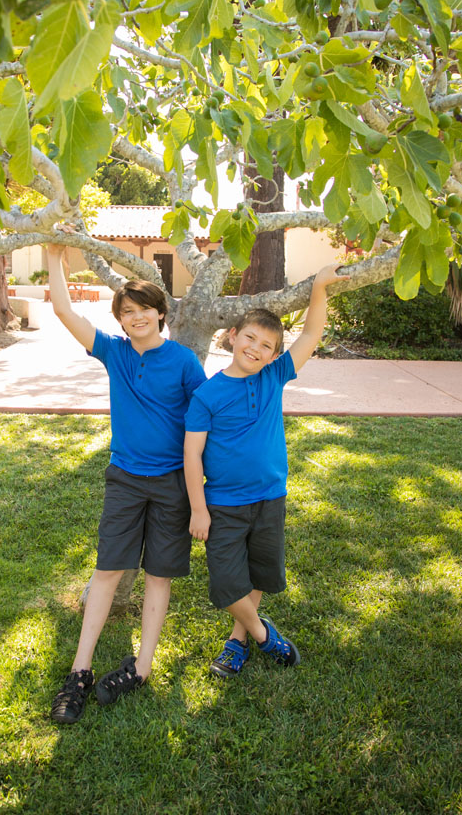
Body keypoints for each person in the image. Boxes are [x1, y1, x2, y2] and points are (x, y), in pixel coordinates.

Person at [47, 243, 207, 722]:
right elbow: (62, 308)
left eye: (144, 311)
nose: (135, 318)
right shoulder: (114, 353)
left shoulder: (183, 362)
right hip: (125, 480)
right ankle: (80, 671)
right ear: (121, 320)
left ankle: (141, 667)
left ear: (161, 315)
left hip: (173, 484)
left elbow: (203, 427)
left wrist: (201, 496)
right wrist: (55, 256)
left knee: (159, 575)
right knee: (108, 570)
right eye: (127, 312)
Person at [183, 264, 348, 677]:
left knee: (257, 571)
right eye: (250, 338)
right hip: (224, 504)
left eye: (267, 345)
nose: (256, 348)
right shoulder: (207, 394)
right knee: (226, 582)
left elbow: (310, 335)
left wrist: (320, 288)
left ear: (275, 355)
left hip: (271, 497)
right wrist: (199, 509)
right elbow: (191, 456)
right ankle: (264, 635)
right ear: (233, 337)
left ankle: (236, 643)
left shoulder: (274, 377)